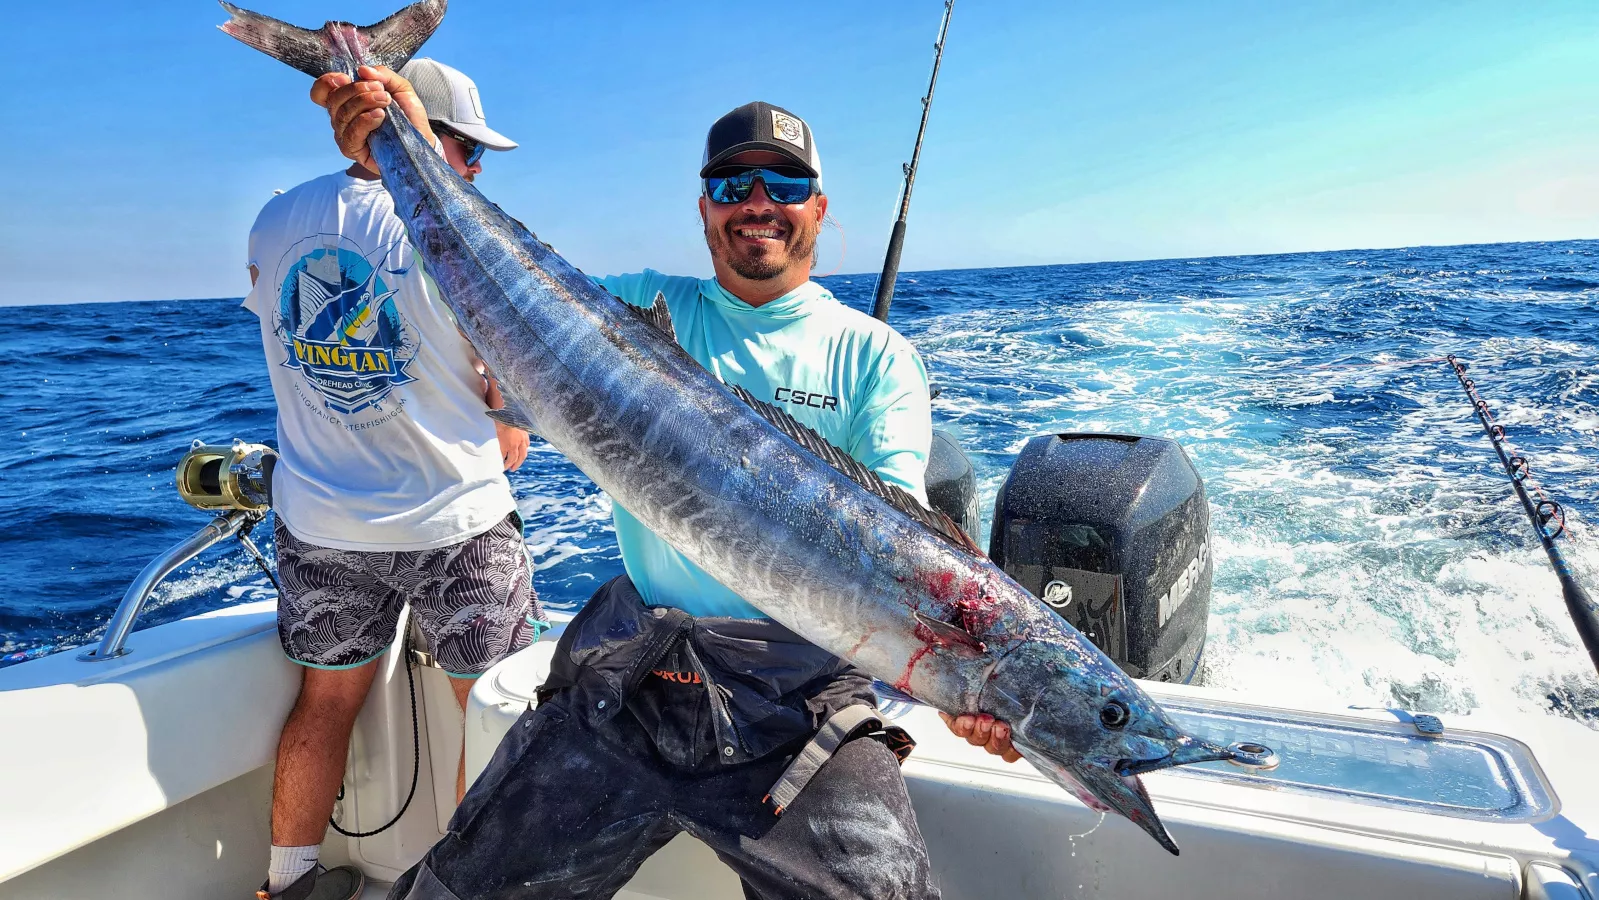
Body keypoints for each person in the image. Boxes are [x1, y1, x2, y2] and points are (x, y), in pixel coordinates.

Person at [313, 66, 1019, 900]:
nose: (757, 200)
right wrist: (393, 153)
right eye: (730, 183)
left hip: (793, 707)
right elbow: (460, 285)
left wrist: (964, 688)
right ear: (705, 208)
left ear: (818, 207)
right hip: (628, 683)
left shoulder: (873, 357)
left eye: (785, 182)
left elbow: (889, 553)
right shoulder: (641, 306)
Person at [245, 59, 547, 900]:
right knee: (484, 718)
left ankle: (287, 882)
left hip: (320, 525)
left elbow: (273, 320)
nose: (477, 173)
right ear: (427, 137)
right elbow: (511, 433)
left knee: (325, 703)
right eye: (470, 151)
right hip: (457, 524)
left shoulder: (275, 218)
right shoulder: (460, 240)